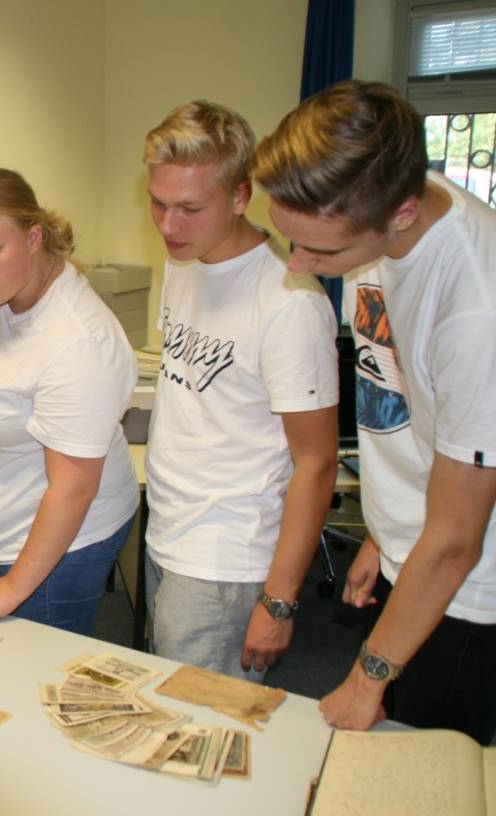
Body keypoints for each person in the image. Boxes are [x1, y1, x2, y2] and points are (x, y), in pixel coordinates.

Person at [254, 79, 496, 743]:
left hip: (470, 590)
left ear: (404, 212)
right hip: (415, 552)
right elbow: (399, 404)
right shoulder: (370, 222)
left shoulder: (477, 304)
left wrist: (367, 677)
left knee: (430, 765)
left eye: (321, 252)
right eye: (291, 241)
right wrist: (386, 539)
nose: (297, 265)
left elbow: (455, 541)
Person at [141, 101, 340, 681]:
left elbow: (317, 463)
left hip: (227, 553)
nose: (168, 226)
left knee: (202, 730)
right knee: (172, 705)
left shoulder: (290, 303)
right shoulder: (186, 258)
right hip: (169, 527)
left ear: (239, 196)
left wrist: (278, 602)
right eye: (158, 203)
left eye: (189, 209)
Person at [0, 167, 139, 636]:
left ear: (34, 239)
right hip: (10, 527)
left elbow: (72, 488)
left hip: (62, 541)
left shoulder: (75, 340)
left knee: (35, 684)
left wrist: (14, 586)